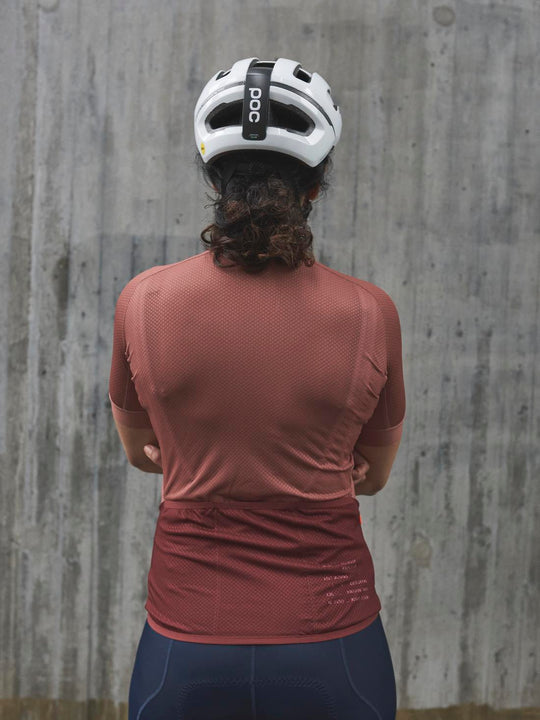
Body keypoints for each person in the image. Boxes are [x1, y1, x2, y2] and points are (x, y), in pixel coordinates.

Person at [108, 56, 406, 720]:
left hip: (185, 642)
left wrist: (193, 453)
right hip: (333, 643)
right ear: (315, 188)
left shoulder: (143, 300)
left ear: (214, 181)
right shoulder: (370, 311)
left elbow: (140, 451)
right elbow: (374, 475)